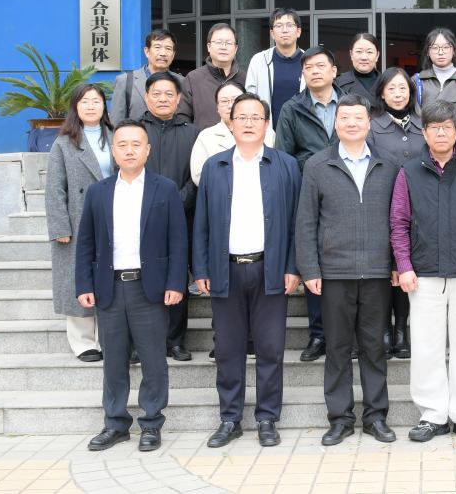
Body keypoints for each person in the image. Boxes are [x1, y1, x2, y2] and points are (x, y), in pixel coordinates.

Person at [192, 93, 303, 449]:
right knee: (228, 349)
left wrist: (292, 266)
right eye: (242, 117)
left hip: (270, 269)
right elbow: (202, 222)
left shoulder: (285, 165)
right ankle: (230, 418)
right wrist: (201, 267)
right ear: (231, 122)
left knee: (270, 348)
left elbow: (296, 222)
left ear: (267, 124)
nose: (249, 123)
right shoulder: (215, 166)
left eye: (256, 117)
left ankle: (267, 417)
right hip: (226, 270)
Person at [74, 120, 188, 453]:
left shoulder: (164, 189)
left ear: (147, 150)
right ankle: (115, 424)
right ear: (113, 150)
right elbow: (86, 242)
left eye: (136, 144)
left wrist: (176, 282)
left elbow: (178, 240)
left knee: (153, 360)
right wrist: (84, 284)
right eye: (122, 144)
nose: (129, 150)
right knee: (114, 360)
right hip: (109, 288)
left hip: (148, 289)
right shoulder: (99, 191)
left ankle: (151, 423)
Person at [390, 101, 456, 444]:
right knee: (426, 348)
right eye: (434, 127)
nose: (440, 133)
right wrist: (404, 266)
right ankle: (432, 414)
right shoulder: (409, 172)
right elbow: (398, 223)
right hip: (423, 274)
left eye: (446, 127)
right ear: (424, 132)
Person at [295, 94, 399, 446]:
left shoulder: (389, 165)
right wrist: (310, 269)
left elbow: (400, 220)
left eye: (358, 118)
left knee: (374, 347)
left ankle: (376, 417)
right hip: (334, 273)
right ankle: (340, 419)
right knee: (337, 348)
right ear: (336, 124)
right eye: (345, 118)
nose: (352, 123)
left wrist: (396, 264)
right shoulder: (317, 165)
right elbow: (306, 222)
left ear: (369, 123)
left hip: (377, 272)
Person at [275, 46, 343, 362]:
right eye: (309, 67)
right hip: (309, 192)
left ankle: (344, 334)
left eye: (320, 66)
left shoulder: (351, 104)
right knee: (314, 261)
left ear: (333, 71)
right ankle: (318, 334)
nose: (315, 71)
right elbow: (284, 157)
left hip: (347, 192)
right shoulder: (292, 108)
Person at [45, 84, 112, 362]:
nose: (91, 106)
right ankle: (83, 342)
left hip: (112, 217)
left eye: (96, 101)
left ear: (104, 106)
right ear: (75, 107)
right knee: (79, 276)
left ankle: (108, 337)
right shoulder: (63, 143)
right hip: (78, 218)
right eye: (85, 101)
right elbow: (54, 189)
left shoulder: (116, 136)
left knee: (108, 276)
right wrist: (60, 227)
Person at [140, 71, 200, 362]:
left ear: (178, 99)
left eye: (169, 94)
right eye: (157, 94)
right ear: (146, 97)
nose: (163, 99)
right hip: (141, 217)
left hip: (181, 216)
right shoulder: (134, 130)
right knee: (143, 278)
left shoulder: (192, 132)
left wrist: (176, 203)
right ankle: (143, 342)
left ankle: (176, 340)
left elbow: (196, 177)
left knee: (177, 276)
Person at [366, 67, 424, 359]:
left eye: (403, 88)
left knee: (406, 265)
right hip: (381, 205)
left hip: (417, 208)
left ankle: (402, 329)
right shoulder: (372, 126)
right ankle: (384, 330)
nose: (398, 94)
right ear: (381, 93)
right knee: (384, 267)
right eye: (392, 89)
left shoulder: (423, 124)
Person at [190, 81, 275, 185]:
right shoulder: (206, 136)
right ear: (217, 108)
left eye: (235, 99)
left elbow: (276, 165)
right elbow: (199, 175)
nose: (230, 105)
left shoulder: (267, 131)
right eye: (224, 101)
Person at [246, 8, 305, 128]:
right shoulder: (259, 61)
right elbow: (249, 99)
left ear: (298, 32)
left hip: (302, 132)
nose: (284, 30)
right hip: (267, 131)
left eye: (289, 25)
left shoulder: (309, 61)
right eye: (279, 26)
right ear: (272, 33)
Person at [109, 30, 182, 125]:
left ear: (173, 54)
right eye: (157, 47)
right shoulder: (126, 81)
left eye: (168, 48)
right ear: (147, 51)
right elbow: (116, 122)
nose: (163, 53)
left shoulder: (182, 82)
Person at [180, 23, 244, 130]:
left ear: (236, 48)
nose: (223, 47)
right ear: (209, 47)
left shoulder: (245, 79)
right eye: (219, 42)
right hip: (203, 140)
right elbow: (183, 117)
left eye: (228, 43)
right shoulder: (193, 79)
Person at [412, 27, 456, 107]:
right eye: (435, 48)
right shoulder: (417, 80)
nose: (441, 52)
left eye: (446, 47)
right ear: (428, 52)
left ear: (454, 51)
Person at [334, 32, 381, 103]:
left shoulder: (387, 83)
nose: (364, 57)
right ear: (351, 54)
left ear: (377, 55)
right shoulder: (338, 83)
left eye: (369, 52)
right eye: (359, 51)